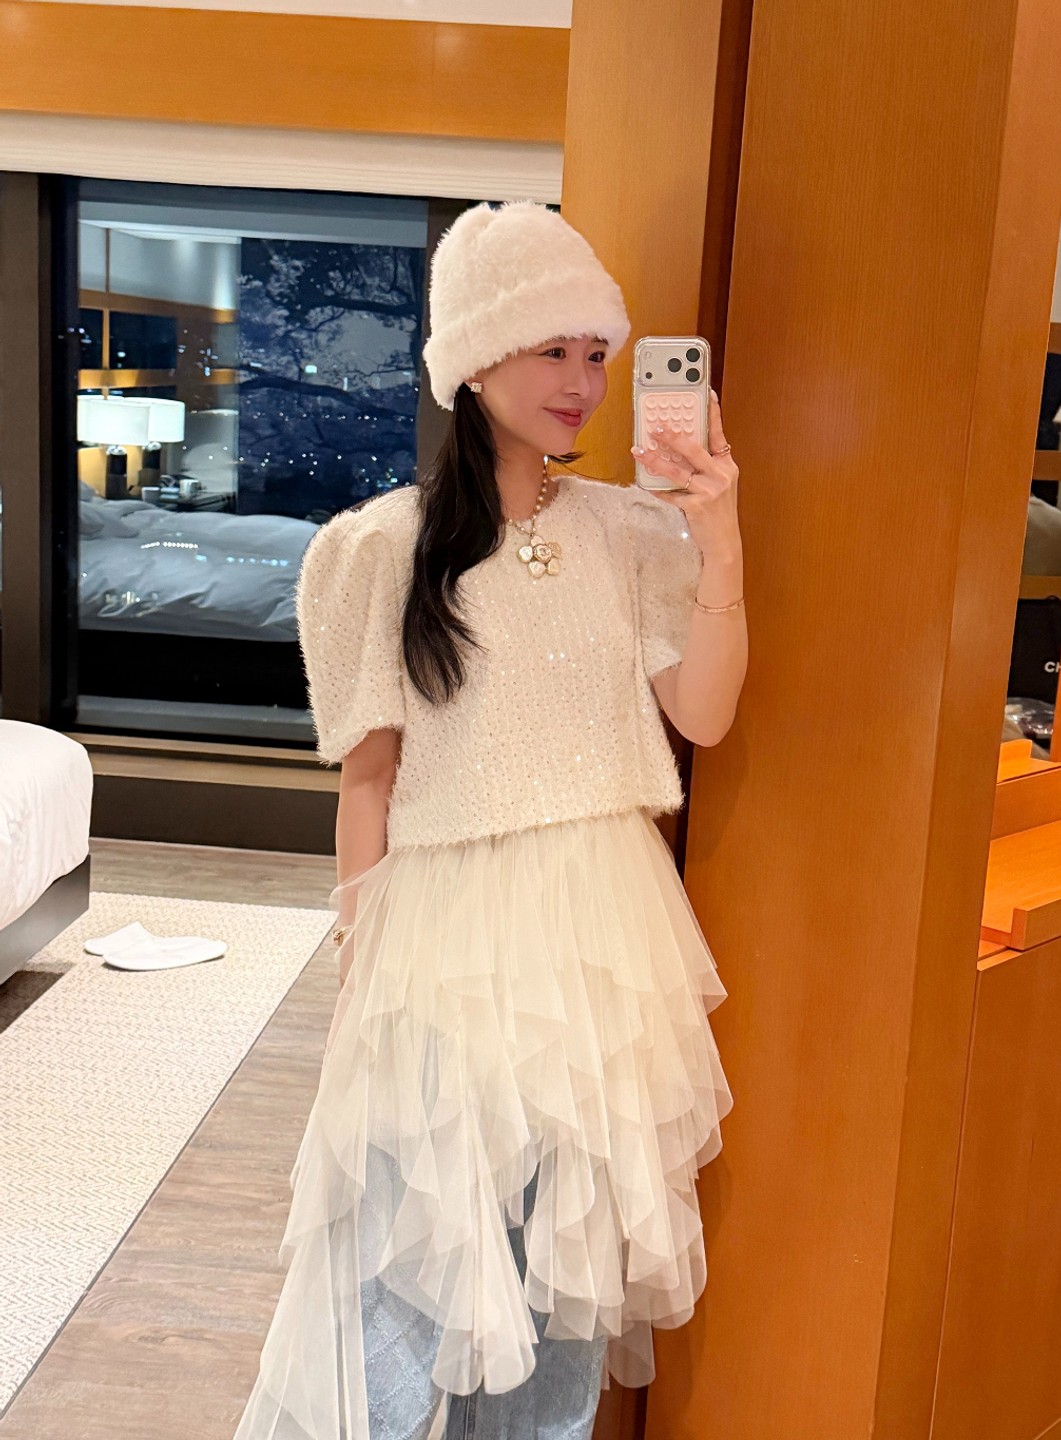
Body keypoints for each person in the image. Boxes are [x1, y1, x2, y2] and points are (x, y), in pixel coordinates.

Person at [232, 199, 746, 1440]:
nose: (582, 382)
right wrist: (357, 970)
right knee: (398, 1270)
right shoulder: (378, 549)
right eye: (550, 349)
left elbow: (707, 715)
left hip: (604, 941)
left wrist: (719, 531)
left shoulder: (631, 532)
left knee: (558, 1281)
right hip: (446, 933)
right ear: (472, 360)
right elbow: (368, 783)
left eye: (596, 354)